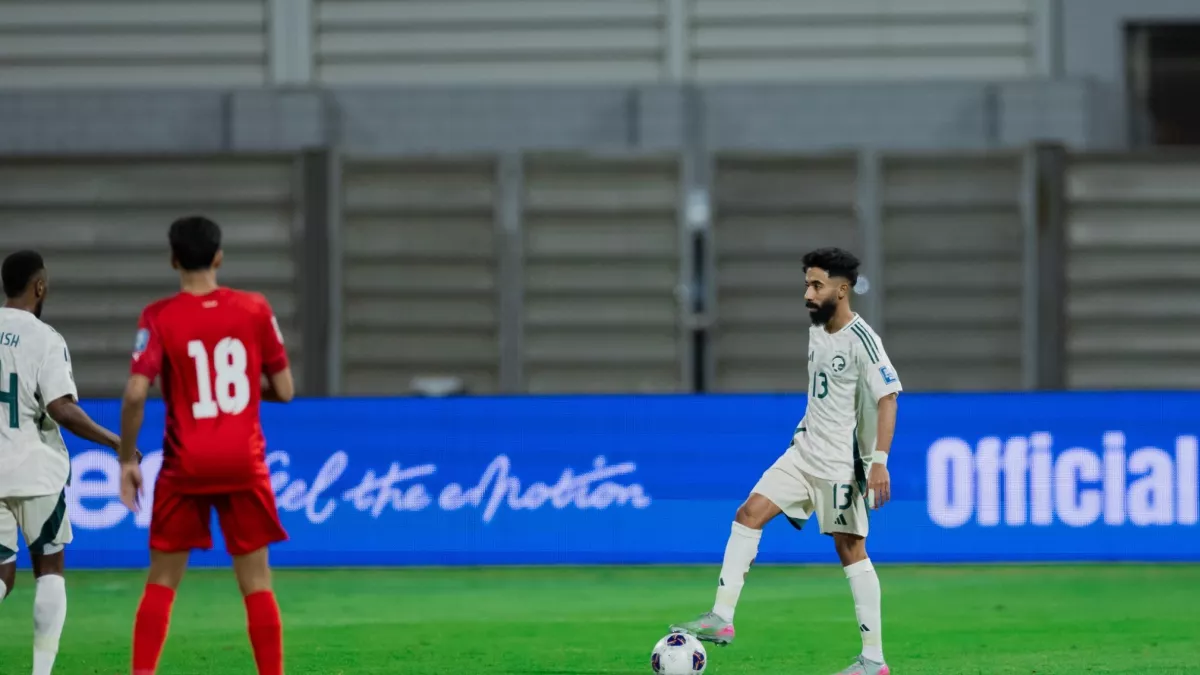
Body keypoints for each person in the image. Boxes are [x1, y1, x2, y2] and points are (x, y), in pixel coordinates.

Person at [670, 248, 901, 675]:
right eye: (806, 285)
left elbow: (888, 398)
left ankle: (873, 659)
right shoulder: (818, 328)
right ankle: (722, 617)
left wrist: (879, 462)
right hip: (803, 452)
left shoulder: (863, 340)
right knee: (748, 513)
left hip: (839, 463)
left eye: (817, 285)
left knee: (850, 549)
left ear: (842, 289)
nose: (808, 294)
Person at [117, 216, 295, 675]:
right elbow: (285, 389)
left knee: (162, 581)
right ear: (218, 257)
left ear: (173, 259)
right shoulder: (255, 308)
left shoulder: (158, 316)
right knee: (257, 583)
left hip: (186, 463)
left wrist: (127, 460)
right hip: (243, 461)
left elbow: (135, 394)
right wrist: (246, 392)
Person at [0, 250, 122, 675]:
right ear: (39, 286)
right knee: (49, 568)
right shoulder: (45, 338)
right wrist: (114, 441)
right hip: (34, 470)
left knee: (2, 575)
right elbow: (61, 408)